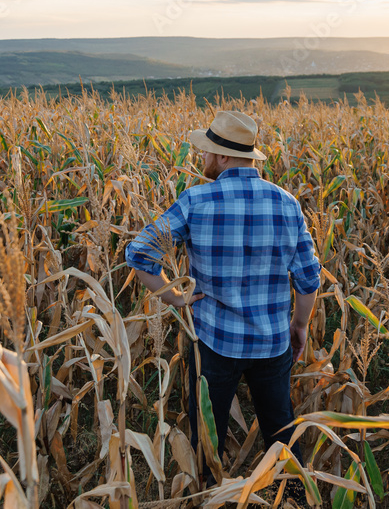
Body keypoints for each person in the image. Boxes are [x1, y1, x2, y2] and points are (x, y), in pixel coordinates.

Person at [124, 109, 321, 482]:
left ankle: (208, 493)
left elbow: (139, 254)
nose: (203, 158)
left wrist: (175, 298)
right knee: (281, 432)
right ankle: (293, 497)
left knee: (206, 433)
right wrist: (299, 326)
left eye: (207, 151)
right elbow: (308, 279)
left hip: (215, 343)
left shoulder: (196, 201)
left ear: (224, 156)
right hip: (272, 342)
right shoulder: (287, 204)